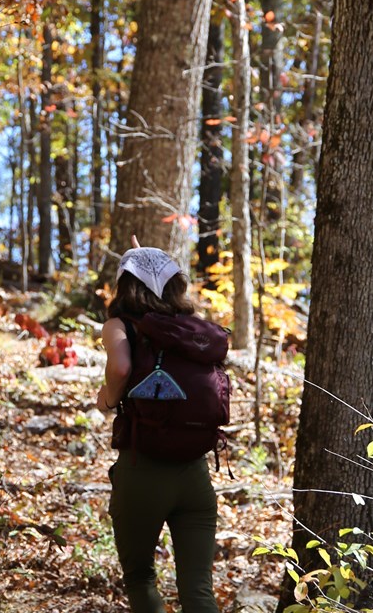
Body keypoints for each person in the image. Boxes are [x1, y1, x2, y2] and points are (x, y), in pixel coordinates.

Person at [97, 236, 220, 613]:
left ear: (125, 284)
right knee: (198, 589)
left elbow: (120, 368)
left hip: (143, 471)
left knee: (140, 578)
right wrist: (148, 254)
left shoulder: (121, 325)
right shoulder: (192, 329)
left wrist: (107, 398)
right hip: (195, 475)